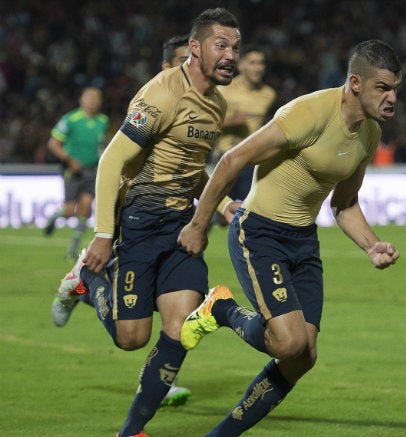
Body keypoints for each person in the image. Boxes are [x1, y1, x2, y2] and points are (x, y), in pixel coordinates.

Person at [176, 39, 402, 436]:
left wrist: (372, 245)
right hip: (259, 232)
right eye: (383, 87)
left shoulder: (368, 136)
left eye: (396, 88)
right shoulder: (309, 112)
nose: (392, 97)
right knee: (287, 343)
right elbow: (233, 159)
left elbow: (345, 204)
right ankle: (221, 309)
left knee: (303, 357)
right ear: (355, 83)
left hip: (304, 242)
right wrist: (198, 223)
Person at [54, 8, 241, 437]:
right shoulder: (160, 93)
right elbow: (112, 160)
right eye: (222, 45)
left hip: (182, 229)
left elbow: (192, 168)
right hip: (140, 223)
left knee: (179, 331)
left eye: (235, 46)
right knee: (131, 338)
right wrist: (104, 235)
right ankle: (85, 279)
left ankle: (132, 431)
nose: (231, 55)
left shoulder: (217, 103)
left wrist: (224, 204)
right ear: (195, 48)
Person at [44, 86, 109, 260]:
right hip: (72, 170)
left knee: (86, 207)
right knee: (69, 211)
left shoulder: (103, 121)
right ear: (82, 100)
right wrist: (69, 160)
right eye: (89, 97)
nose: (93, 101)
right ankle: (55, 217)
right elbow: (53, 143)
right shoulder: (70, 119)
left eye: (96, 98)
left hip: (91, 170)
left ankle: (72, 251)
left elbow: (102, 145)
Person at [214, 44, 277, 208]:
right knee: (216, 211)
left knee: (245, 210)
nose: (258, 68)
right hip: (225, 156)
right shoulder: (224, 90)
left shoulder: (269, 94)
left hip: (251, 160)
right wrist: (230, 122)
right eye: (253, 62)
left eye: (261, 63)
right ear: (241, 66)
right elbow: (206, 125)